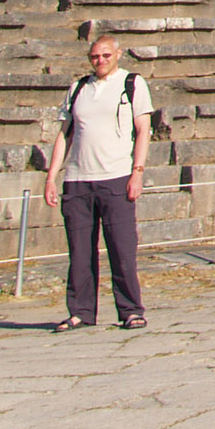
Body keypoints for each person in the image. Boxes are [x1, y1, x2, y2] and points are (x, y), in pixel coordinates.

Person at [42, 34, 152, 331]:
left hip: (116, 178)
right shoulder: (78, 88)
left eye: (105, 55)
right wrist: (51, 177)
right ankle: (80, 312)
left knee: (122, 250)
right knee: (79, 252)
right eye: (94, 56)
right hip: (78, 180)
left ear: (118, 54)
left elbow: (144, 130)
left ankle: (130, 310)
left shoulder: (132, 83)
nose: (100, 60)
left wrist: (138, 171)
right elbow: (64, 134)